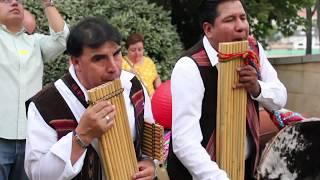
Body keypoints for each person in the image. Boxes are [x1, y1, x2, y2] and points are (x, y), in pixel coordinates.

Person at [166, 0, 287, 180]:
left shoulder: (254, 50)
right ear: (208, 29)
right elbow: (185, 142)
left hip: (243, 168)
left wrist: (257, 87)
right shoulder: (189, 67)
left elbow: (280, 98)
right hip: (199, 174)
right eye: (230, 20)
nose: (240, 27)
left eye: (243, 18)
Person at [25, 17, 156, 180]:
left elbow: (148, 140)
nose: (114, 68)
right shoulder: (45, 104)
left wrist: (151, 164)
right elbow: (38, 174)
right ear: (76, 62)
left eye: (116, 54)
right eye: (99, 59)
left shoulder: (133, 85)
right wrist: (81, 136)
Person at [0, 0, 69, 179]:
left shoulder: (35, 42)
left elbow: (62, 39)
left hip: (30, 139)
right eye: (6, 0)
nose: (15, 2)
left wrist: (48, 4)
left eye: (18, 1)